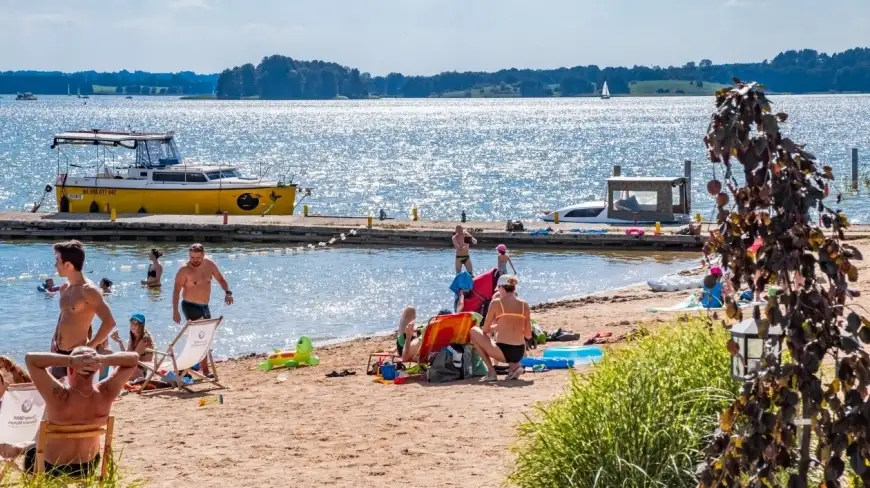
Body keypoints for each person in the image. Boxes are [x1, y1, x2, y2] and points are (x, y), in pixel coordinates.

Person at [21, 348, 138, 477]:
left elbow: (30, 359)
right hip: (87, 466)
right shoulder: (106, 392)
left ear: (70, 369)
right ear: (96, 369)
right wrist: (102, 360)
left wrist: (70, 361)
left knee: (31, 449)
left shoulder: (59, 397)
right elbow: (133, 358)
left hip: (52, 468)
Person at [50, 241, 117, 380]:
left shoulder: (89, 290)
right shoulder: (64, 288)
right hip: (58, 353)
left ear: (68, 264)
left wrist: (91, 346)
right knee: (56, 398)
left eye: (57, 260)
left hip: (78, 355)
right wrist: (54, 341)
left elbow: (109, 322)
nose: (55, 265)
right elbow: (64, 318)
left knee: (76, 399)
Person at [172, 243, 232, 375]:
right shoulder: (184, 270)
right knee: (201, 336)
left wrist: (228, 292)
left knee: (206, 336)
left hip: (205, 306)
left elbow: (221, 279)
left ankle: (189, 365)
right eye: (192, 257)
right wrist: (175, 311)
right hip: (190, 305)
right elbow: (176, 291)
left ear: (203, 255)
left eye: (198, 257)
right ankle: (204, 369)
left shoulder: (209, 265)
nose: (195, 260)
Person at [469, 275, 531, 382]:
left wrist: (497, 327)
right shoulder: (524, 304)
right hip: (520, 351)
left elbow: (485, 330)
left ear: (501, 288)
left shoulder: (496, 302)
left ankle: (491, 372)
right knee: (512, 345)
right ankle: (514, 367)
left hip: (503, 351)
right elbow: (528, 335)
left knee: (474, 331)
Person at [111, 313, 155, 380]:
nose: (133, 326)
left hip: (140, 371)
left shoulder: (145, 339)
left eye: (136, 324)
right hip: (134, 367)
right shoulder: (134, 335)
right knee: (115, 360)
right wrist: (120, 342)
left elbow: (132, 358)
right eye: (132, 323)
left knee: (116, 361)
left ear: (141, 325)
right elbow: (128, 355)